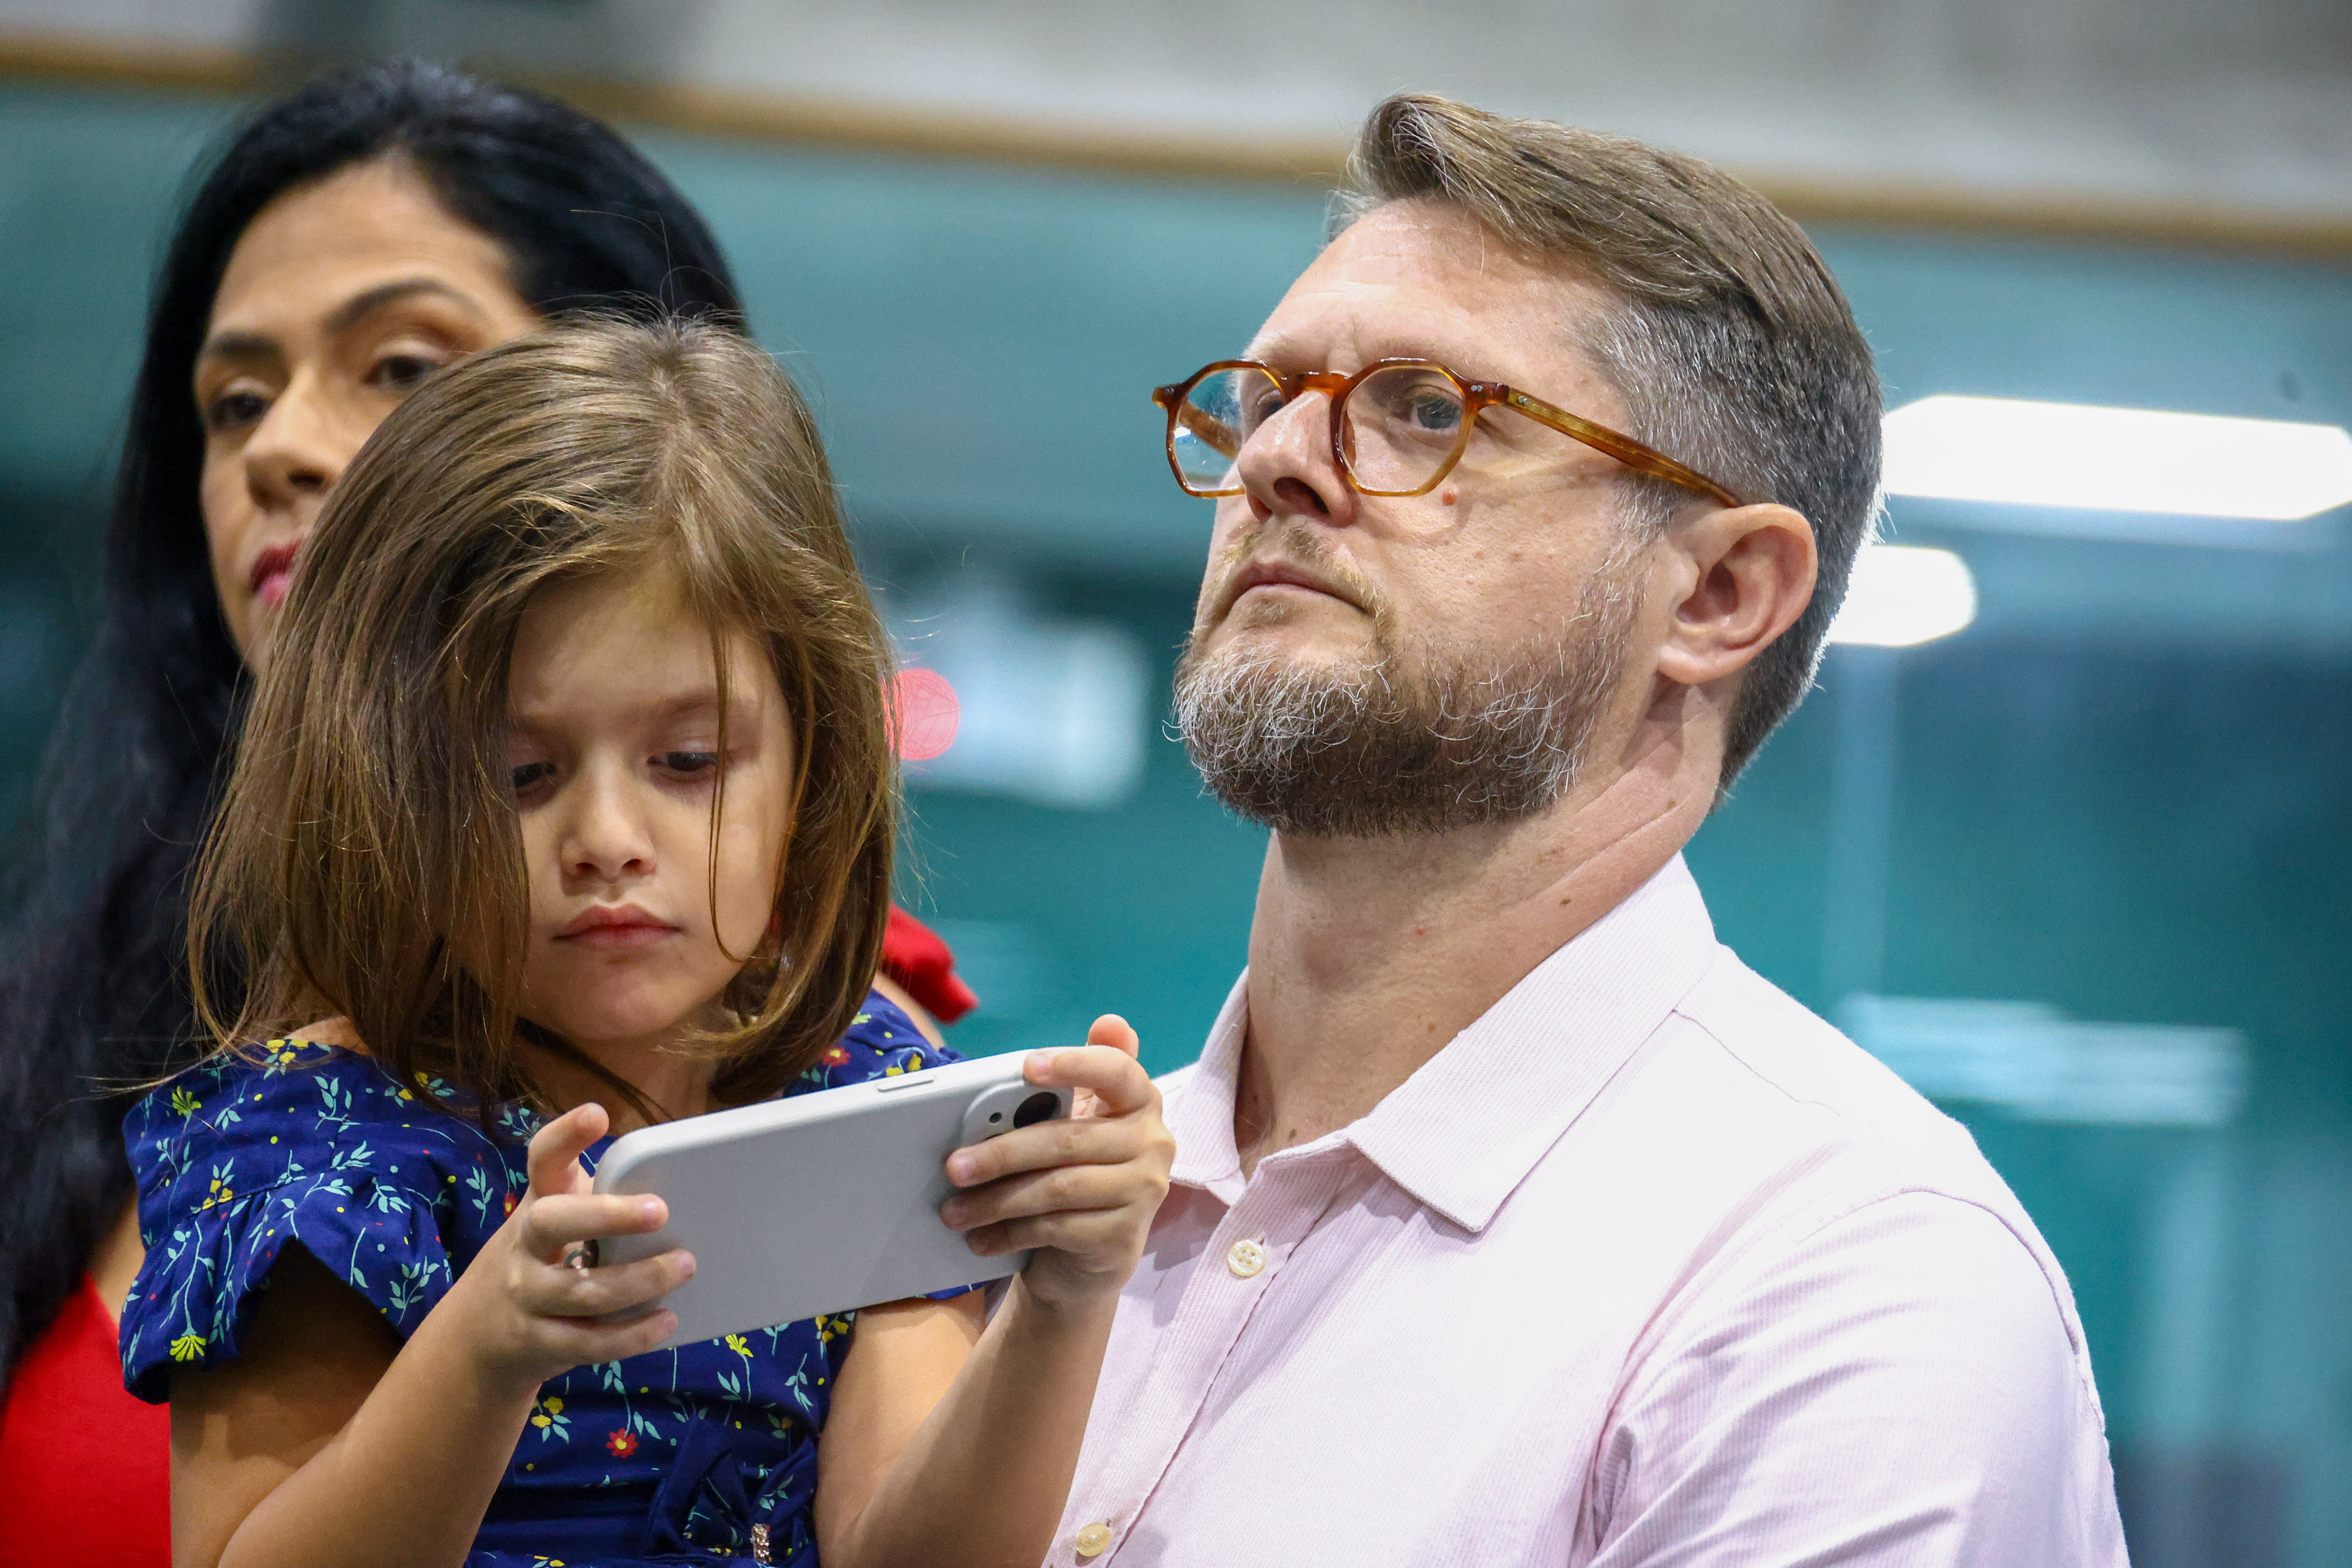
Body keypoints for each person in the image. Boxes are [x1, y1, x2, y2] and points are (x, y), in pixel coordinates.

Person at [1048, 94, 2128, 1566]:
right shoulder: (1052, 1201)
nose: (1275, 461)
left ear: (1716, 596)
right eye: (1265, 397)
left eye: (1428, 409)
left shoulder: (1846, 1284)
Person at [0, 61, 971, 1559]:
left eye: (399, 366)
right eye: (233, 399)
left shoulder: (813, 1036)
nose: (282, 445)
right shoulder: (154, 1016)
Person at [118, 316, 1172, 1568]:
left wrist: (1064, 1299)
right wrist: (484, 1354)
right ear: (382, 789)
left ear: (814, 767)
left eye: (687, 761)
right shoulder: (313, 1138)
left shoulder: (861, 1093)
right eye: (519, 774)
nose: (607, 839)